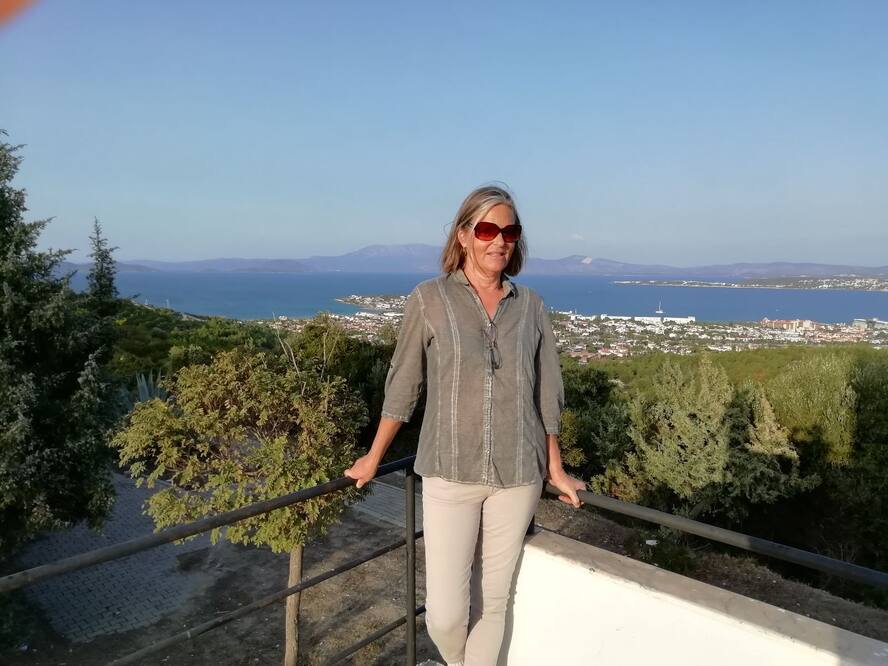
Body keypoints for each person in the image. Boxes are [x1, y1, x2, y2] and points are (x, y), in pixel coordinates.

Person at [345, 184, 585, 666]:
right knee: (445, 616)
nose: (500, 240)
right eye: (488, 229)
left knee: (493, 603)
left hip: (518, 473)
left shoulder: (532, 305)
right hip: (449, 470)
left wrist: (554, 468)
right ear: (464, 235)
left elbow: (547, 393)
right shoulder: (429, 299)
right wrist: (374, 457)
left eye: (509, 231)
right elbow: (403, 385)